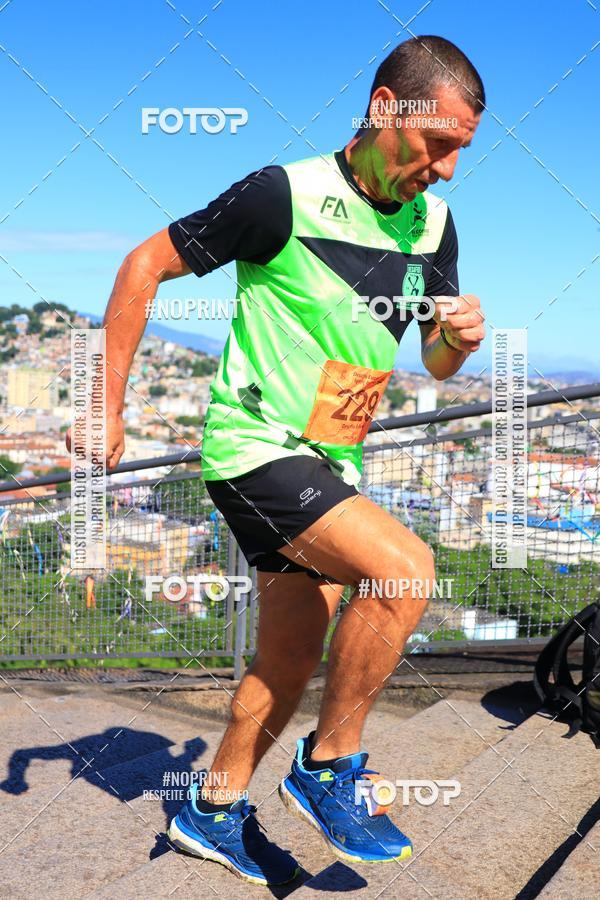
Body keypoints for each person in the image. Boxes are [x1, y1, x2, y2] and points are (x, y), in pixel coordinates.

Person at [79, 34, 486, 886]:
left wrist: (455, 343)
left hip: (336, 462)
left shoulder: (435, 224)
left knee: (291, 656)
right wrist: (102, 408)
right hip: (256, 449)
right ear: (386, 110)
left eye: (462, 150)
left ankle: (211, 809)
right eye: (439, 143)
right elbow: (144, 263)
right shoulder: (283, 194)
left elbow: (434, 363)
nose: (447, 169)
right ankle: (329, 765)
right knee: (406, 571)